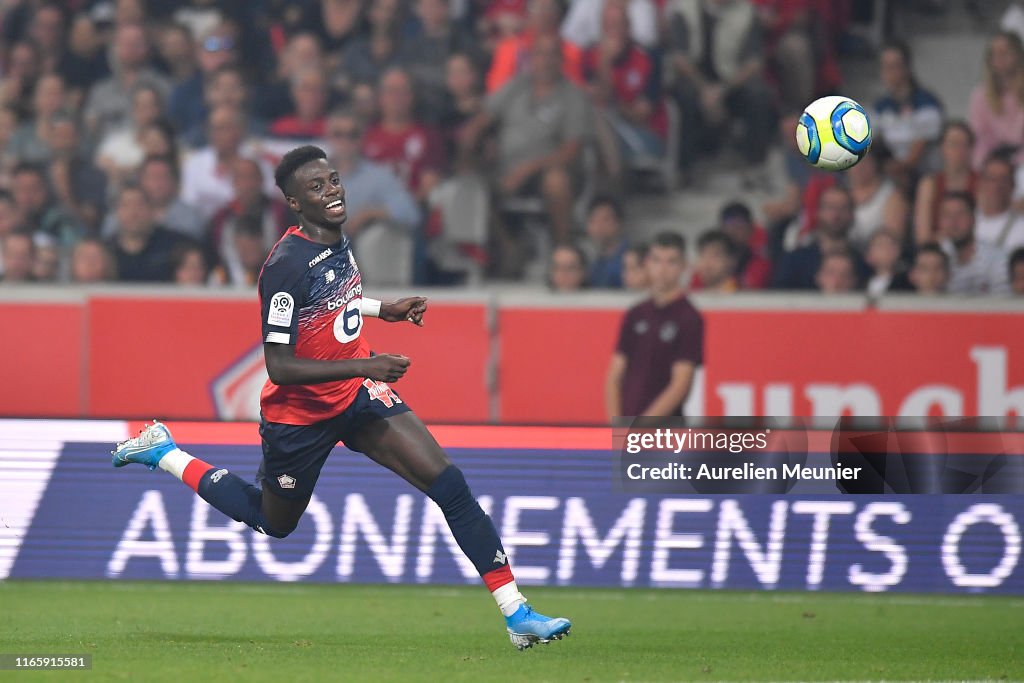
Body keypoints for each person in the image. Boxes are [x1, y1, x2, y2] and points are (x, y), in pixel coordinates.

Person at [110, 145, 571, 651]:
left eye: (332, 181)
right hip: (300, 415)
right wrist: (367, 364)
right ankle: (164, 452)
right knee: (273, 522)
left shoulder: (335, 239)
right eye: (316, 188)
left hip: (356, 395)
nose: (331, 192)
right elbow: (280, 366)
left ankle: (517, 614)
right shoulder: (283, 266)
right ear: (293, 203)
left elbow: (335, 300)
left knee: (450, 486)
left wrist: (383, 310)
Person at [605, 231, 703, 418]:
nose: (662, 269)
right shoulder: (636, 314)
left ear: (683, 266)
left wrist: (641, 428)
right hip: (628, 423)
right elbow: (614, 376)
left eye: (671, 261)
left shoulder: (689, 317)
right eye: (657, 260)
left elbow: (680, 384)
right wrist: (616, 425)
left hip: (664, 430)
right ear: (648, 263)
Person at [871, 40, 944, 180]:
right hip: (889, 172)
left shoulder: (927, 104)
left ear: (907, 68)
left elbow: (917, 154)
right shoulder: (880, 107)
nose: (889, 73)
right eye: (885, 67)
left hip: (923, 175)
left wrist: (896, 167)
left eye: (894, 66)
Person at [771, 186, 867, 290]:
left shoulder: (863, 262)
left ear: (852, 214)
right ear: (818, 212)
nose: (835, 215)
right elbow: (779, 298)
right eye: (829, 207)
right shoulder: (794, 260)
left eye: (843, 208)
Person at [913, 121, 978, 246]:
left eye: (964, 145)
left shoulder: (981, 183)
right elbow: (923, 236)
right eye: (954, 144)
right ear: (942, 148)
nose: (959, 150)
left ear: (971, 149)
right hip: (938, 249)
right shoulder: (929, 184)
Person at [107, 183, 186, 282]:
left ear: (152, 210)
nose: (133, 213)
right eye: (126, 205)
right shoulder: (106, 250)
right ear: (116, 212)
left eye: (139, 205)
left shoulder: (176, 246)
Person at [969, 31, 1024, 169]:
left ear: (1018, 55)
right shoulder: (980, 96)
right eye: (994, 54)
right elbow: (978, 137)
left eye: (1005, 53)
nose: (999, 58)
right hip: (993, 161)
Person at [938, 191, 1010, 295]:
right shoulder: (933, 258)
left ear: (974, 218)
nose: (953, 222)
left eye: (960, 214)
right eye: (947, 215)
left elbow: (1004, 303)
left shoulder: (996, 257)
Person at [974, 154, 1024, 252]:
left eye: (1004, 180)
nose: (997, 186)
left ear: (1013, 185)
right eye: (991, 179)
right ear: (981, 182)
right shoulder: (966, 220)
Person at [584, 194, 628, 288]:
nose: (599, 226)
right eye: (593, 220)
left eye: (605, 219)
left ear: (618, 223)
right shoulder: (594, 264)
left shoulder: (630, 259)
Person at [864, 230, 911, 298]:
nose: (887, 249)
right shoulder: (859, 283)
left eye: (892, 244)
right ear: (869, 254)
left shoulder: (907, 283)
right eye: (881, 245)